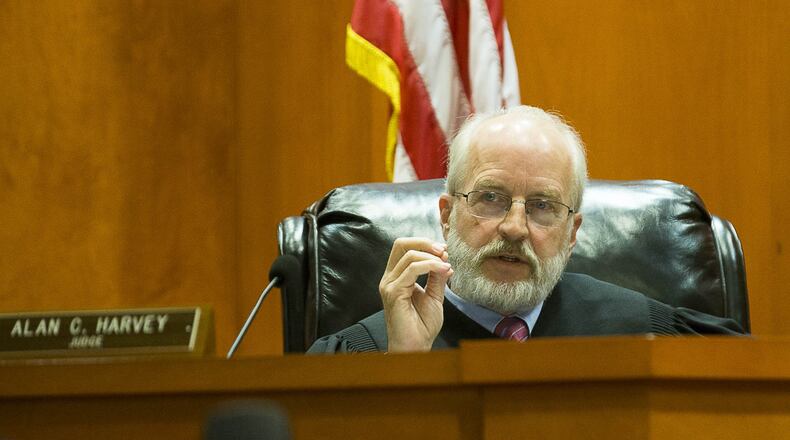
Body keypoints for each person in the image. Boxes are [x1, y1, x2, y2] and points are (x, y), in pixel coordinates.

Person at [308, 105, 743, 354]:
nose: (514, 228)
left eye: (542, 206)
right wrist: (403, 373)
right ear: (446, 215)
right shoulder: (363, 353)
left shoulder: (638, 331)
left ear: (572, 234)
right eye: (490, 198)